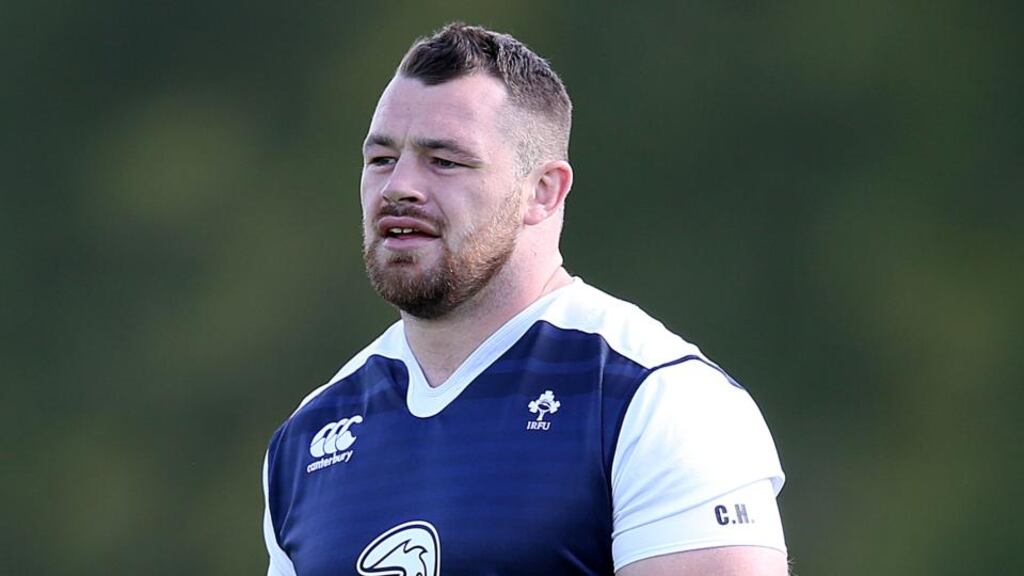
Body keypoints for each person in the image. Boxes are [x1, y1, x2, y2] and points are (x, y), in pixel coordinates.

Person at [263, 23, 788, 576]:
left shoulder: (652, 397)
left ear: (544, 192)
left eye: (444, 161)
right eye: (381, 160)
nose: (400, 187)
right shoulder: (308, 438)